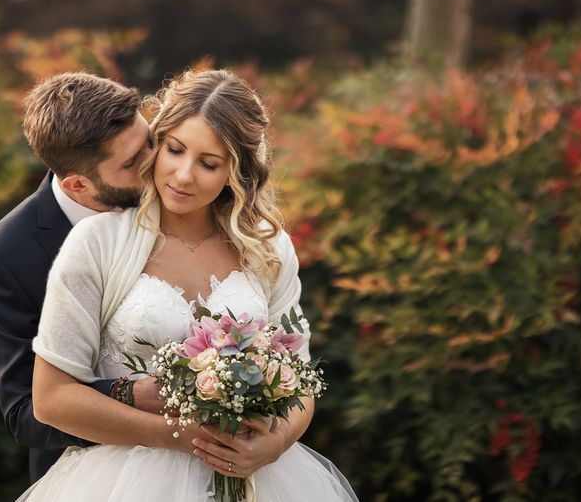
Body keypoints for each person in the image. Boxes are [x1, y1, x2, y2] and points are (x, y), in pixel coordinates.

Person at [19, 69, 358, 500]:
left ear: (238, 171)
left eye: (209, 163)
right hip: (125, 481)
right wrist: (179, 436)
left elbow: (301, 380)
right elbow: (52, 399)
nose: (182, 175)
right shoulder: (97, 242)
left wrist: (273, 446)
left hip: (261, 479)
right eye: (174, 150)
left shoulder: (268, 249)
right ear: (156, 143)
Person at [0, 72, 167, 482]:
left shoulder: (182, 195)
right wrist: (131, 395)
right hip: (95, 478)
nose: (157, 162)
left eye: (151, 139)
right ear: (77, 183)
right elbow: (25, 414)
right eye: (132, 162)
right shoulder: (5, 257)